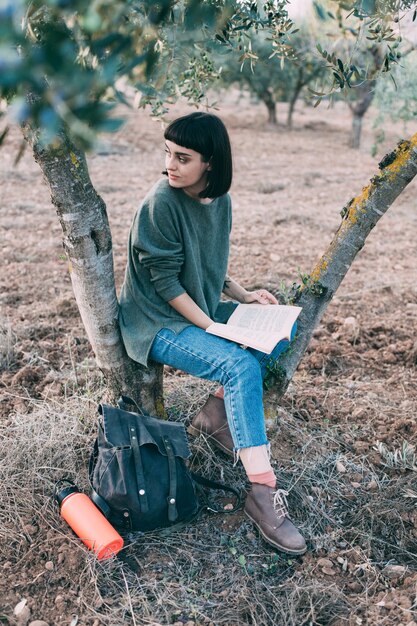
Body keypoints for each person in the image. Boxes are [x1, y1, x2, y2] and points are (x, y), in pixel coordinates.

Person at [119, 111, 306, 555]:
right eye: (167, 153)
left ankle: (212, 417)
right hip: (156, 321)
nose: (170, 164)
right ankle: (262, 493)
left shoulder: (218, 200)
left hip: (199, 307)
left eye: (183, 157)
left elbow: (210, 265)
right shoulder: (160, 203)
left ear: (211, 164)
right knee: (239, 364)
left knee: (278, 333)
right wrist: (212, 326)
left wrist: (244, 295)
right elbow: (164, 285)